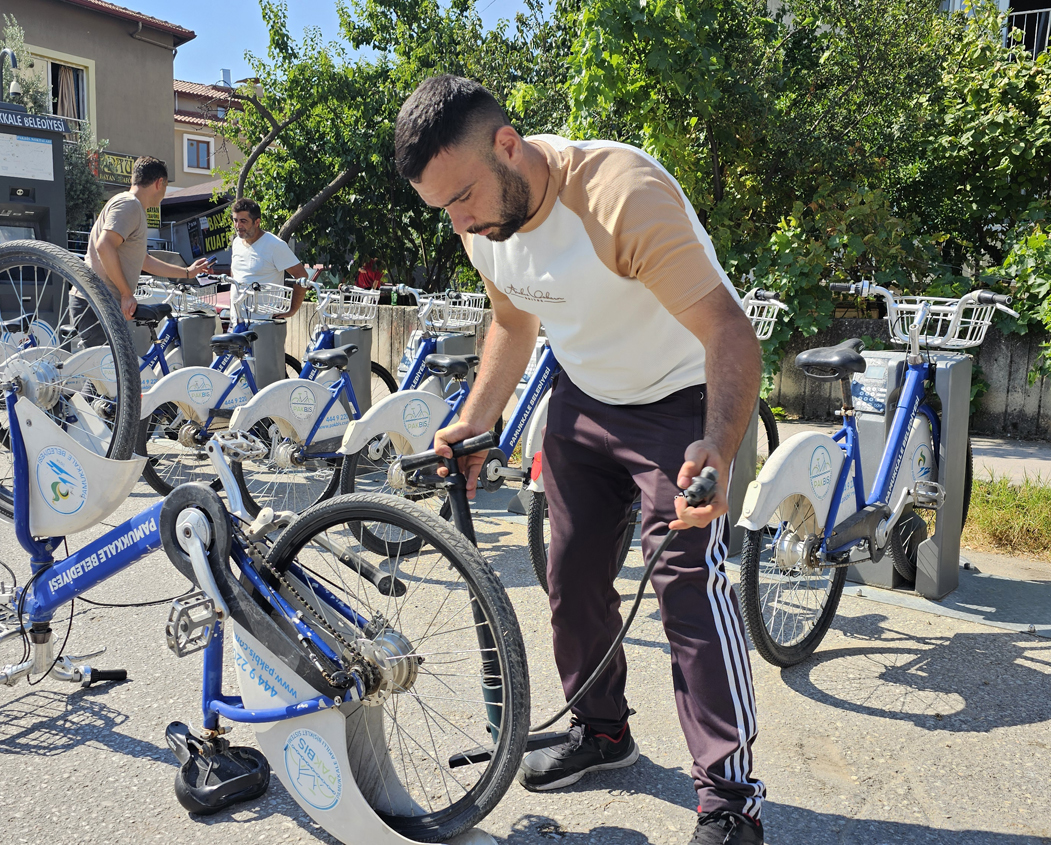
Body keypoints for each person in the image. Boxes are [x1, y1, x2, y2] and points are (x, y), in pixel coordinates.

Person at [395, 76, 766, 845]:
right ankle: (603, 733)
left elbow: (732, 332)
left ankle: (730, 800)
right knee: (568, 576)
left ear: (507, 145)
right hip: (584, 396)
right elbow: (511, 318)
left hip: (679, 400)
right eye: (443, 209)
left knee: (687, 589)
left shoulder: (618, 196)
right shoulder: (480, 224)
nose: (457, 221)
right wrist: (475, 421)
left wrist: (719, 448)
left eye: (462, 196)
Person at [76, 156, 210, 346]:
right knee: (111, 374)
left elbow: (144, 260)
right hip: (98, 302)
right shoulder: (130, 205)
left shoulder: (130, 205)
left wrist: (187, 272)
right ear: (159, 183)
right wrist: (126, 294)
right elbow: (104, 246)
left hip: (99, 302)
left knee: (117, 373)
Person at [229, 197, 305, 319]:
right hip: (237, 321)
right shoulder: (237, 242)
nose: (238, 225)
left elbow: (301, 276)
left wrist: (292, 310)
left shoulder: (274, 245)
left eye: (243, 221)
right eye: (235, 220)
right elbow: (236, 275)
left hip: (265, 323)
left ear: (257, 222)